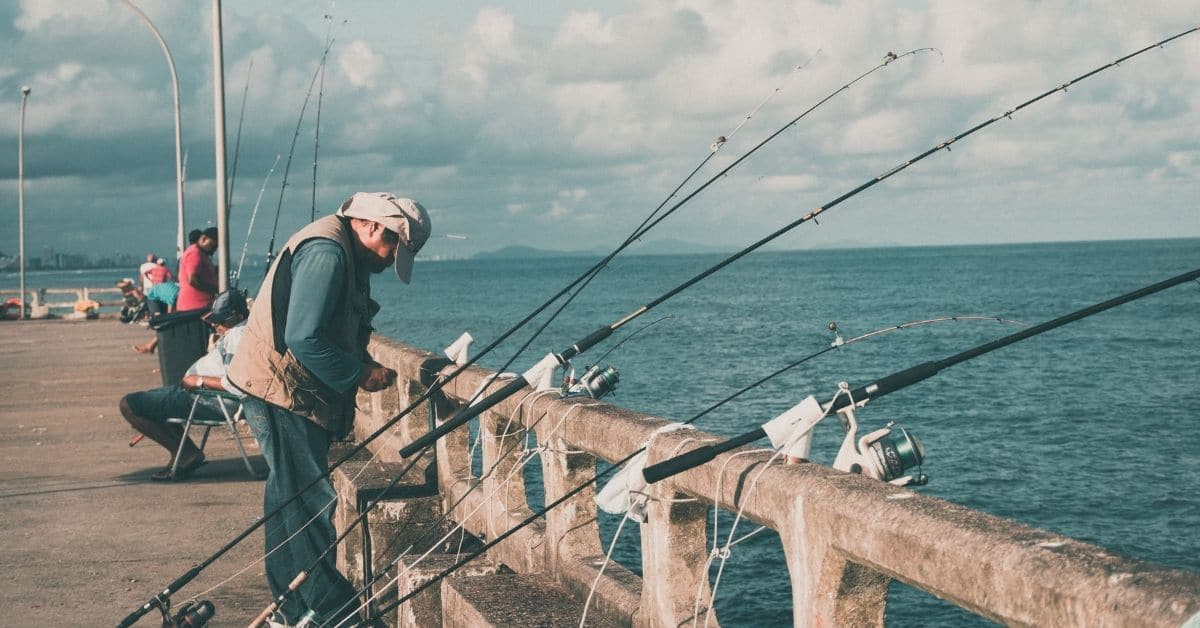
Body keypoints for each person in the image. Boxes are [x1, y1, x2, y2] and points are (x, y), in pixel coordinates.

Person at [228, 192, 430, 625]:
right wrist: (360, 374)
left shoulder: (349, 252)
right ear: (374, 225)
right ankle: (338, 615)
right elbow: (304, 338)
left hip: (285, 394)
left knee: (289, 505)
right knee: (311, 506)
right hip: (282, 395)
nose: (389, 259)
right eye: (392, 246)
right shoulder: (328, 253)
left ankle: (294, 611)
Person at [119, 289, 250, 481]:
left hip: (207, 400)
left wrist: (197, 381)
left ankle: (186, 453)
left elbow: (238, 383)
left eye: (221, 321)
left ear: (238, 317)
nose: (216, 325)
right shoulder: (241, 330)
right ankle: (186, 453)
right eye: (215, 320)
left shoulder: (238, 334)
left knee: (129, 404)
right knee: (152, 402)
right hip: (199, 395)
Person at [177, 227, 219, 311]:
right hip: (195, 307)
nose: (213, 250)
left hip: (198, 306)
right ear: (203, 239)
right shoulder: (195, 253)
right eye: (212, 245)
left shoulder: (201, 254)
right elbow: (193, 280)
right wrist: (214, 289)